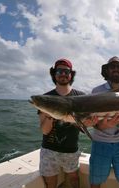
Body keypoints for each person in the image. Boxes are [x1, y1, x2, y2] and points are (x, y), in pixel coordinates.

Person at [38, 58, 87, 188]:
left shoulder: (81, 97)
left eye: (66, 71)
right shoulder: (45, 99)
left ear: (71, 74)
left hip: (71, 150)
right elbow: (44, 131)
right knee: (50, 183)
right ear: (54, 74)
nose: (63, 74)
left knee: (74, 179)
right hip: (49, 150)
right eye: (59, 71)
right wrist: (49, 114)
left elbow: (87, 123)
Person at [89, 56, 119, 188]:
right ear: (107, 71)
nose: (116, 69)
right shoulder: (96, 91)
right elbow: (91, 119)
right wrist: (102, 125)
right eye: (112, 67)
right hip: (100, 142)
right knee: (95, 183)